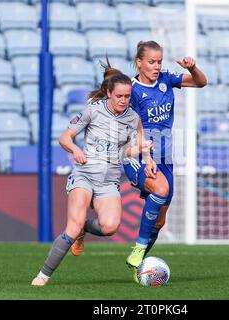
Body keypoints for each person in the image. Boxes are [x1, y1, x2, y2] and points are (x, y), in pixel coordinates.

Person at [31, 62, 153, 286]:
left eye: (127, 96)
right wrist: (76, 149)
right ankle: (43, 275)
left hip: (109, 181)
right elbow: (65, 138)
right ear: (108, 93)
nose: (123, 100)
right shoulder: (93, 111)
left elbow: (129, 150)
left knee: (110, 227)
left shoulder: (133, 119)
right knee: (72, 225)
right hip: (85, 175)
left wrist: (145, 152)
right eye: (119, 96)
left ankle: (84, 229)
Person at [123, 41, 207, 282]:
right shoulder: (132, 90)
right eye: (151, 62)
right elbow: (134, 127)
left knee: (159, 221)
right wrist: (145, 155)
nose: (157, 66)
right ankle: (139, 250)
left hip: (165, 158)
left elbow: (201, 82)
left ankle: (137, 264)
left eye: (159, 61)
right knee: (160, 189)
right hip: (139, 155)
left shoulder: (166, 80)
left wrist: (192, 68)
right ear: (139, 62)